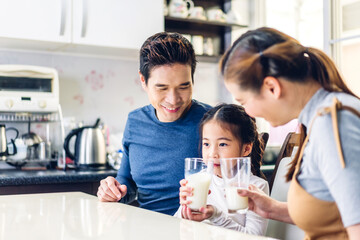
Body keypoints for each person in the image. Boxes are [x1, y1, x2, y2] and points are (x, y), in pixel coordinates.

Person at [220, 27, 360, 239]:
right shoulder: (319, 119)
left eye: (244, 101)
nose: (247, 112)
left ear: (272, 87)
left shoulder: (333, 125)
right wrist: (271, 209)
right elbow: (336, 214)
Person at [97, 32, 211, 215]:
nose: (173, 100)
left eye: (184, 86)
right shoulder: (135, 122)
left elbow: (235, 183)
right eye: (162, 88)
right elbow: (127, 182)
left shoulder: (213, 121)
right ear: (143, 80)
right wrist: (114, 191)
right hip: (149, 229)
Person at [174, 103, 269, 235]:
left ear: (246, 149)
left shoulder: (256, 187)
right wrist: (185, 210)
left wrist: (216, 215)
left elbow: (254, 236)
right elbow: (177, 226)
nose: (212, 153)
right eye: (206, 144)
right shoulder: (199, 179)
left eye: (222, 144)